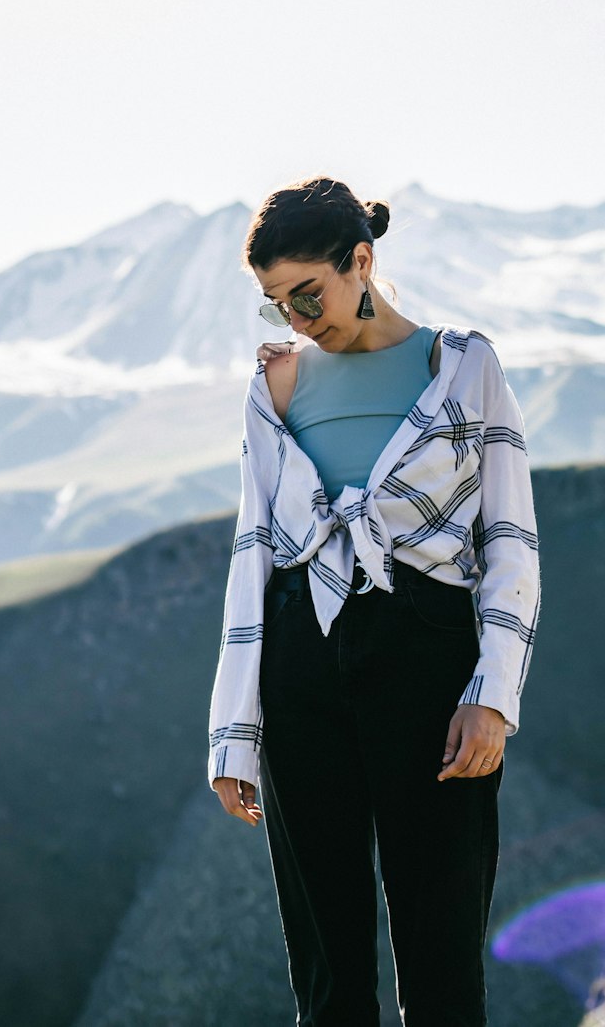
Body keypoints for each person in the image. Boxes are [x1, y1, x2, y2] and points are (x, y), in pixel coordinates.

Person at [208, 176, 541, 1027]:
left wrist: (493, 697)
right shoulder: (275, 388)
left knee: (442, 959)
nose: (295, 318)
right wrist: (233, 730)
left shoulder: (462, 365)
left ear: (362, 262)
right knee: (327, 973)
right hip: (300, 661)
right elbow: (253, 552)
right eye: (275, 303)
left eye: (307, 293)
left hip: (429, 660)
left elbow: (509, 537)